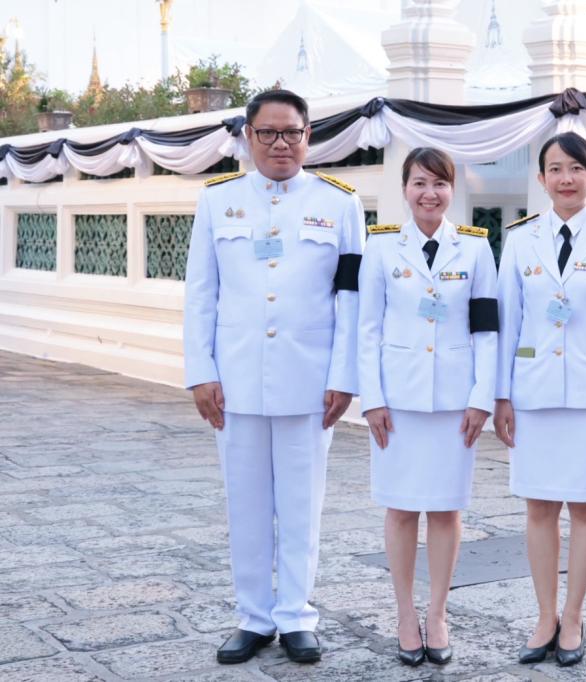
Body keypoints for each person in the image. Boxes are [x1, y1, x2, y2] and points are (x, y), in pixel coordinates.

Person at [184, 89, 364, 664]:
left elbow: (351, 299)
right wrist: (200, 371)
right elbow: (201, 294)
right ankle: (254, 617)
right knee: (246, 504)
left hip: (309, 379)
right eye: (268, 132)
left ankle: (296, 616)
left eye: (292, 132)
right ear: (248, 136)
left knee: (302, 502)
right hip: (235, 378)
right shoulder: (218, 201)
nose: (280, 143)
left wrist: (345, 375)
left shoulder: (340, 204)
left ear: (309, 137)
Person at [494, 132, 586, 668]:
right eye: (555, 169)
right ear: (542, 179)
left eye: (576, 168)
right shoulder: (519, 240)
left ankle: (573, 616)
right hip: (532, 392)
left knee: (585, 505)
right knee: (538, 506)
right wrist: (501, 395)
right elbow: (507, 322)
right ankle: (544, 615)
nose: (566, 178)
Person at [357, 147, 498, 667]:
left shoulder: (476, 248)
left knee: (445, 509)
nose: (429, 193)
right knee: (400, 509)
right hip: (397, 402)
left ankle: (437, 613)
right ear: (405, 189)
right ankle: (403, 613)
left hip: (455, 402)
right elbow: (367, 329)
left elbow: (487, 329)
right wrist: (372, 399)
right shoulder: (381, 247)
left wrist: (481, 397)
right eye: (419, 183)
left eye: (439, 183)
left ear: (452, 190)